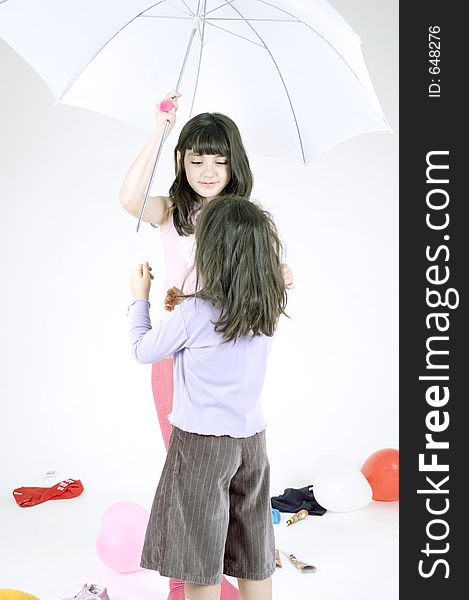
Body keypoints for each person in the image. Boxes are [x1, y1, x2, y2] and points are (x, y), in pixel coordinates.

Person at [120, 92, 293, 600]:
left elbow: (272, 276)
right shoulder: (174, 211)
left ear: (234, 162)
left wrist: (279, 277)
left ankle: (207, 570)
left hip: (212, 352)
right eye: (196, 159)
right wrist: (159, 130)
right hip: (181, 356)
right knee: (198, 482)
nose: (209, 170)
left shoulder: (239, 216)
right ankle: (203, 570)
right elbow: (131, 201)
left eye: (219, 159)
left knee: (202, 477)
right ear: (182, 161)